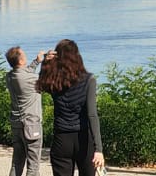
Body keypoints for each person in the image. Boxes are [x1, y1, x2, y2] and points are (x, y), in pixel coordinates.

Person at [36, 39, 105, 176]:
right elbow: (92, 115)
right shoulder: (89, 80)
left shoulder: (54, 81)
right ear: (77, 56)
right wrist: (99, 149)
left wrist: (45, 63)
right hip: (84, 139)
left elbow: (39, 86)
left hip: (61, 139)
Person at [5, 46, 46, 176]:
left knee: (16, 163)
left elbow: (25, 72)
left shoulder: (10, 76)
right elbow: (45, 82)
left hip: (17, 124)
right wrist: (46, 63)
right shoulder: (30, 79)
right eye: (24, 55)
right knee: (33, 166)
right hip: (31, 124)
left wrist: (37, 61)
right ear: (21, 61)